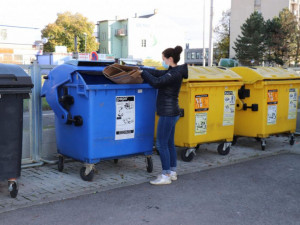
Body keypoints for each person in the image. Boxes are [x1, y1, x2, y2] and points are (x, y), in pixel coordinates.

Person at [141, 46, 188, 185]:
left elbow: (157, 82)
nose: (163, 61)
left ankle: (165, 175)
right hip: (172, 112)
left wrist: (143, 72)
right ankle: (172, 172)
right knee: (168, 143)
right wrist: (141, 69)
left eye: (163, 59)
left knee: (161, 144)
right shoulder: (173, 71)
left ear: (170, 59)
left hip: (168, 113)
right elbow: (157, 73)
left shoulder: (174, 74)